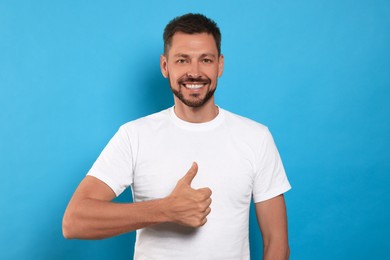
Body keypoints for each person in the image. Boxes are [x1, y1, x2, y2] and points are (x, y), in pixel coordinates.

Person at [63, 13, 291, 260]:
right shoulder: (134, 135)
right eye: (182, 60)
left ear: (220, 65)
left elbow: (276, 243)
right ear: (165, 66)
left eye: (205, 60)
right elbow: (74, 221)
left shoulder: (256, 137)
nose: (194, 72)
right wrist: (166, 209)